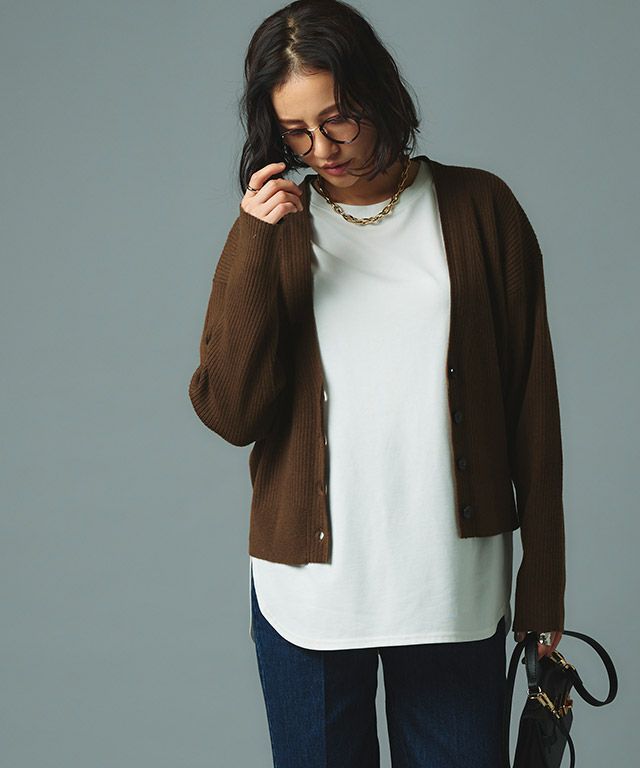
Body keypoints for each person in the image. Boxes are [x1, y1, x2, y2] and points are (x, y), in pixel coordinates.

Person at [188, 1, 566, 765]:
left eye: (338, 120)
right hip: (311, 595)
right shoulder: (272, 229)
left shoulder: (481, 208)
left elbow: (532, 407)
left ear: (379, 93)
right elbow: (230, 412)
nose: (321, 148)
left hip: (450, 587)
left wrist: (543, 584)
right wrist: (255, 245)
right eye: (296, 131)